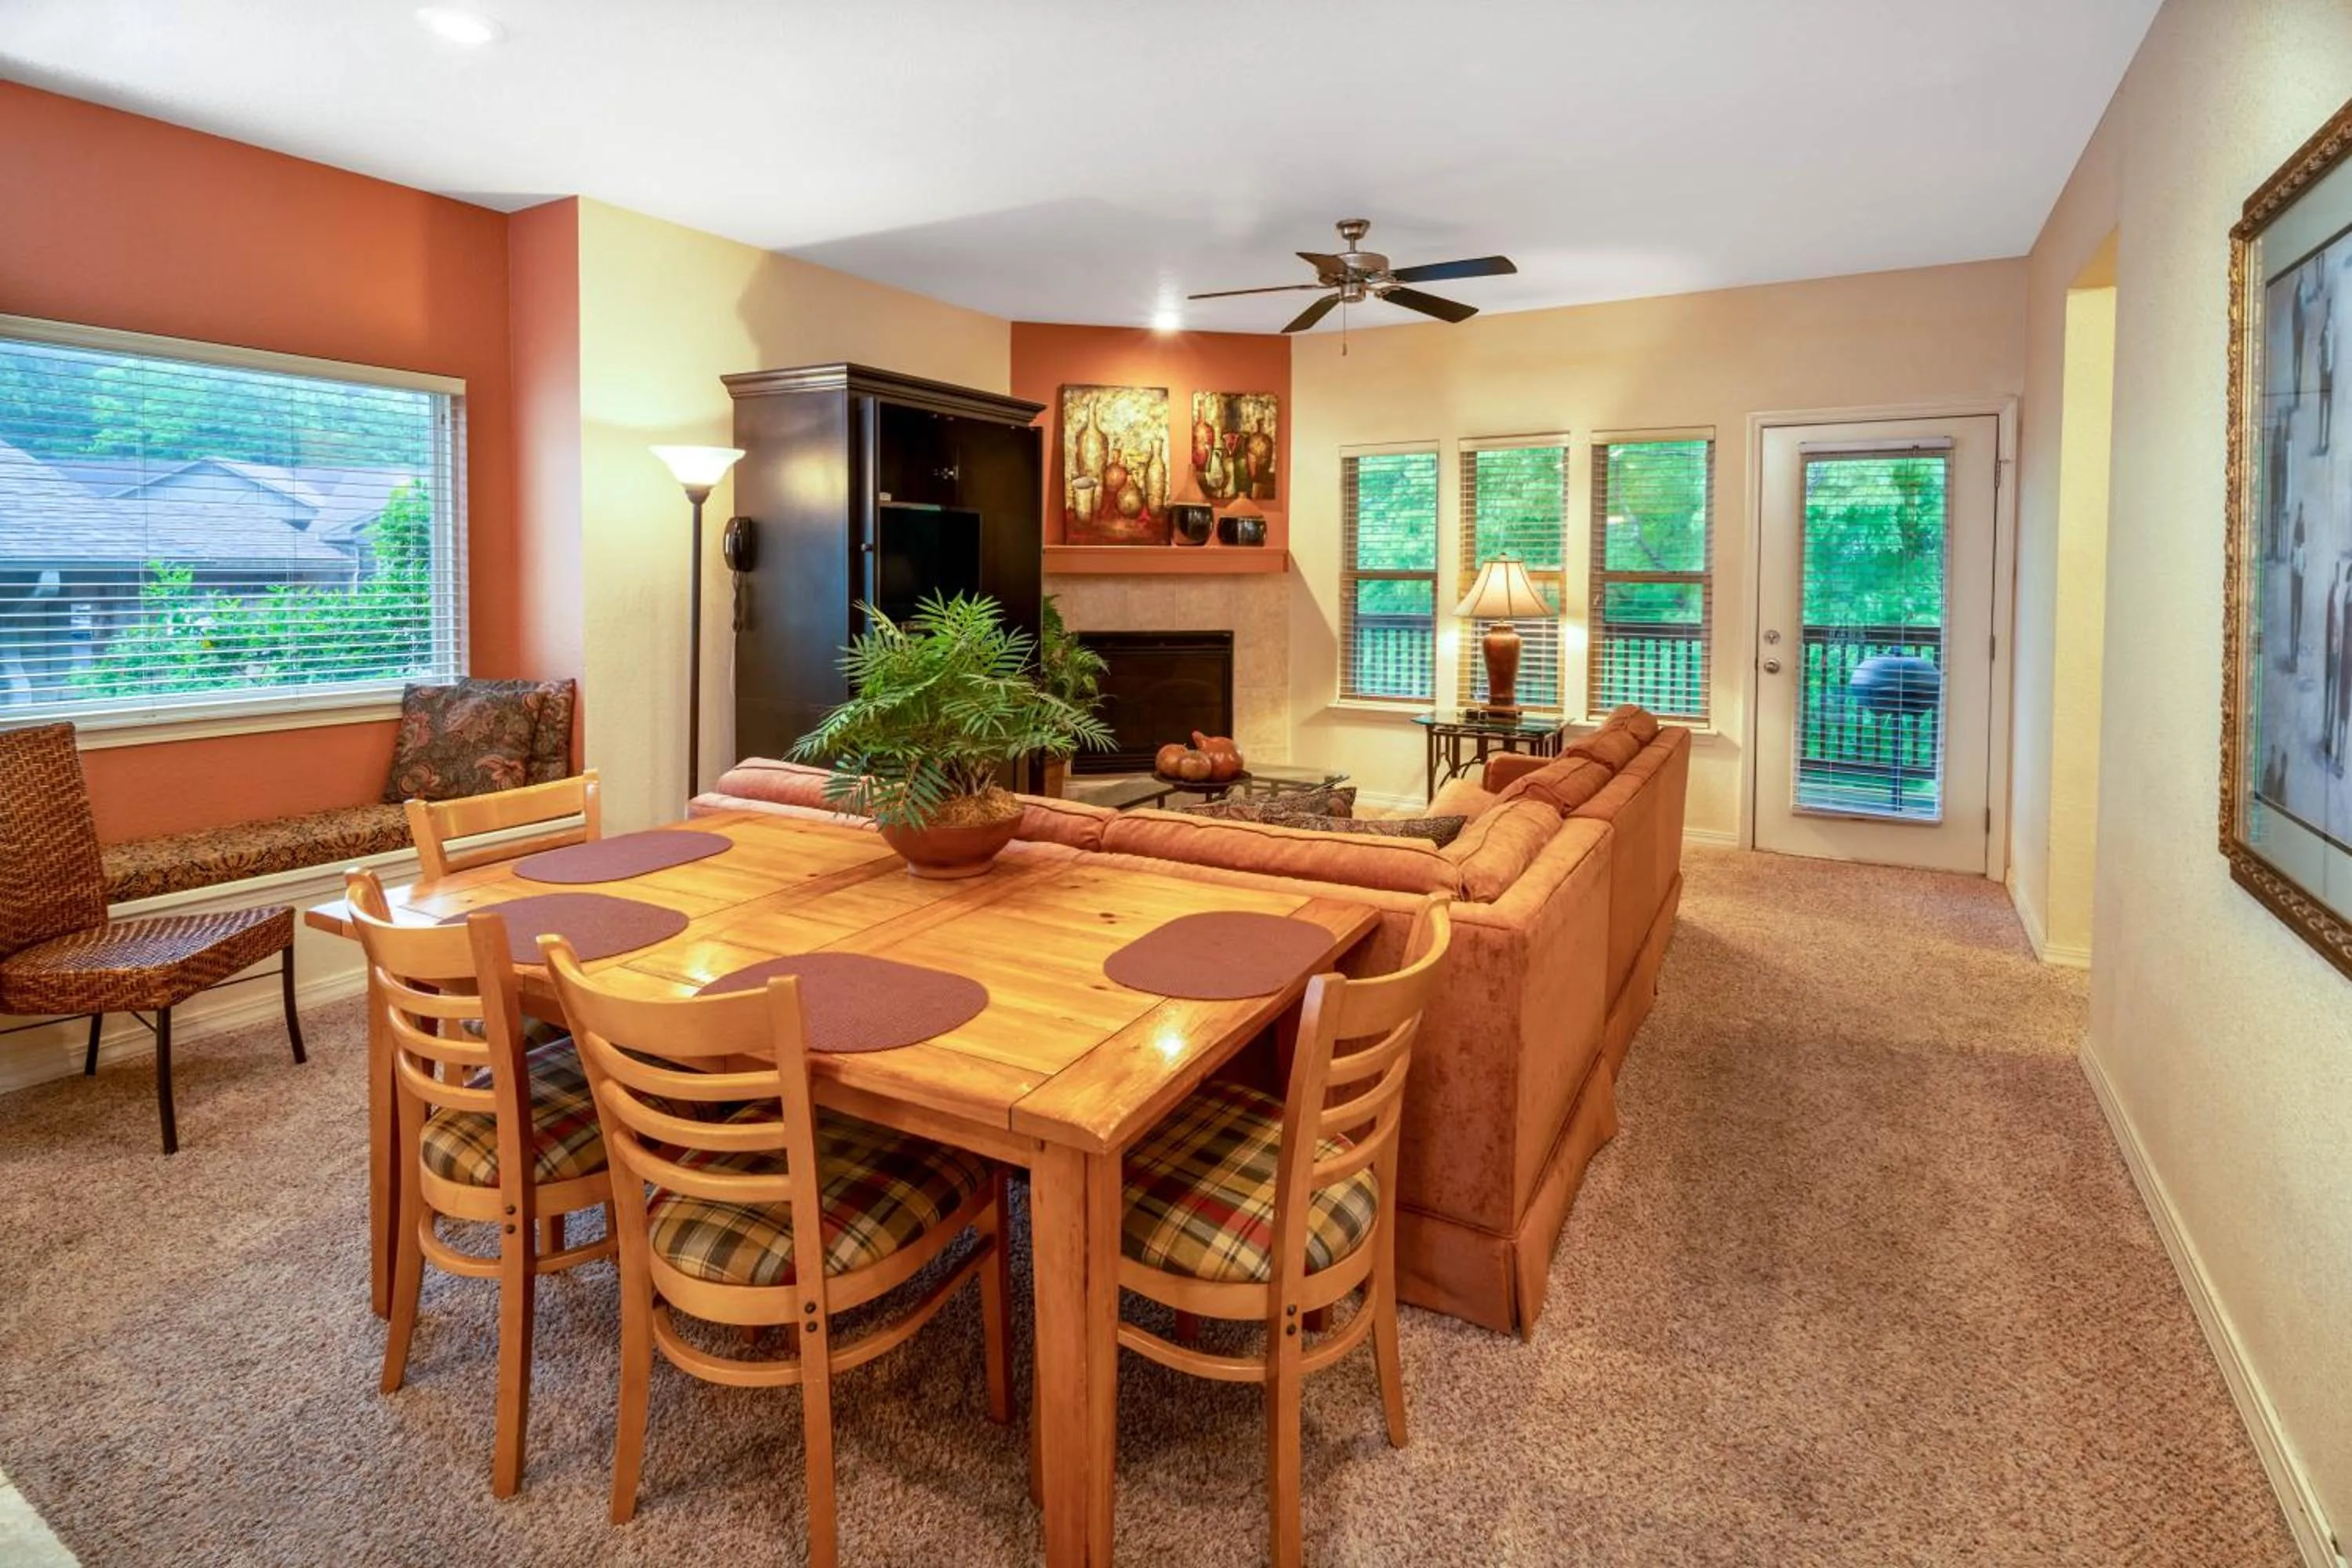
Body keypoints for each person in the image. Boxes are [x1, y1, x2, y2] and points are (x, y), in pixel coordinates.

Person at [2289, 504, 2308, 671]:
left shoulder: (2298, 550)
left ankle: (2294, 655)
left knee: (2297, 617)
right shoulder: (2299, 550)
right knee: (2296, 617)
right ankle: (2293, 657)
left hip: (2298, 581)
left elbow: (2299, 565)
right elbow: (2300, 567)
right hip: (2298, 582)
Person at [2327, 562, 2343, 757]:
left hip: (2335, 651)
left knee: (2333, 693)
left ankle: (2330, 734)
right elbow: (2336, 627)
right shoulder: (2336, 596)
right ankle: (2330, 737)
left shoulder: (2335, 594)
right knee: (2333, 693)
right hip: (2336, 652)